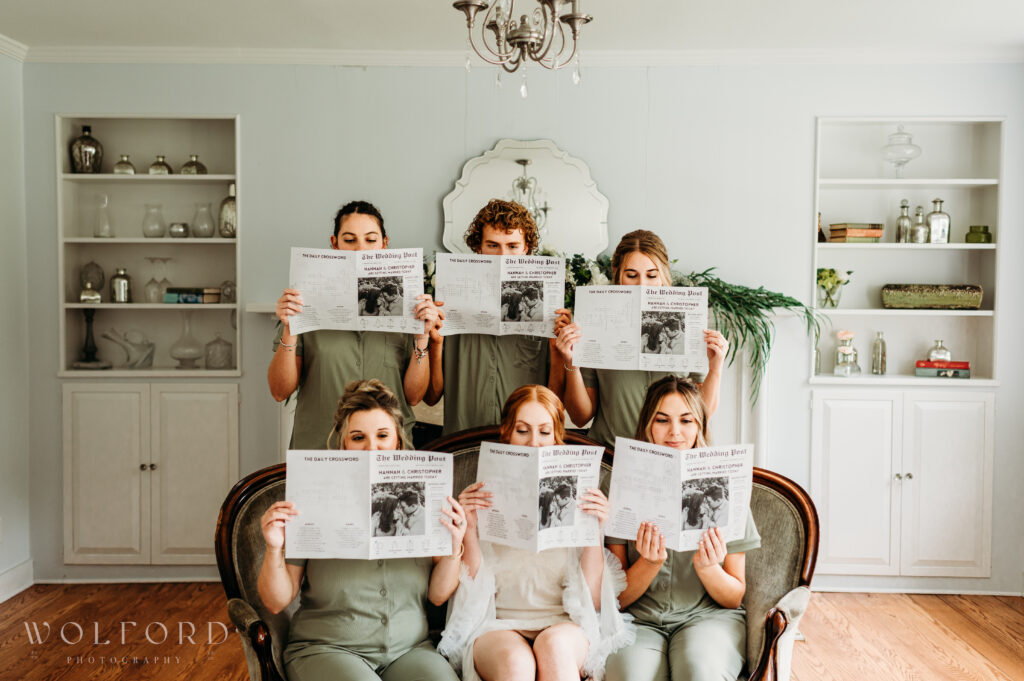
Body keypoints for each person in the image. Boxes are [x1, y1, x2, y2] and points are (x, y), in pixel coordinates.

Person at [257, 379, 467, 681]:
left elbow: (437, 596)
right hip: (326, 648)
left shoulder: (424, 498)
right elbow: (277, 600)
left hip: (410, 650)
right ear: (344, 443)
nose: (372, 448)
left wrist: (454, 545)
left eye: (382, 435)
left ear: (398, 440)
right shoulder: (313, 497)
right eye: (358, 438)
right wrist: (274, 547)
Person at [437, 385, 633, 681]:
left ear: (557, 436)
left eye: (544, 432)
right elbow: (471, 589)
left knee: (554, 649)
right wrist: (470, 530)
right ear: (507, 433)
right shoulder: (481, 490)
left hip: (563, 624)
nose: (534, 443)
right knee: (516, 664)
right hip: (498, 624)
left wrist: (596, 530)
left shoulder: (579, 490)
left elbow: (592, 600)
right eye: (522, 431)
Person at [604, 376, 761, 681]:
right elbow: (616, 599)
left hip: (708, 619)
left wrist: (708, 569)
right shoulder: (621, 485)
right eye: (662, 420)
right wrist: (649, 564)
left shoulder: (727, 483)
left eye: (686, 420)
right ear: (648, 424)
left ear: (700, 425)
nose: (675, 431)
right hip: (637, 621)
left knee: (700, 672)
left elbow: (733, 597)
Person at [269, 200, 443, 447]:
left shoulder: (408, 305)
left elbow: (414, 397)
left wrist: (422, 337)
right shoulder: (304, 301)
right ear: (334, 244)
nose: (360, 250)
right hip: (320, 447)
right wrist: (290, 329)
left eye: (370, 240)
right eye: (350, 240)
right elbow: (279, 391)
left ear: (384, 244)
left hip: (388, 449)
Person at [554, 229, 729, 448]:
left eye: (651, 275)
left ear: (664, 274)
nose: (642, 285)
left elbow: (701, 415)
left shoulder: (688, 317)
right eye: (632, 275)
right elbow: (581, 417)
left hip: (669, 455)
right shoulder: (594, 320)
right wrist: (571, 362)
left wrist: (716, 367)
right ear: (617, 274)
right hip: (610, 456)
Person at [427, 199, 562, 435]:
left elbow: (556, 400)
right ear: (478, 248)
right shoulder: (448, 301)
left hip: (524, 443)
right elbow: (431, 397)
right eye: (492, 245)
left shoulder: (547, 307)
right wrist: (435, 344)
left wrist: (559, 350)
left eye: (512, 246)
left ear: (526, 249)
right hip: (462, 440)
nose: (503, 257)